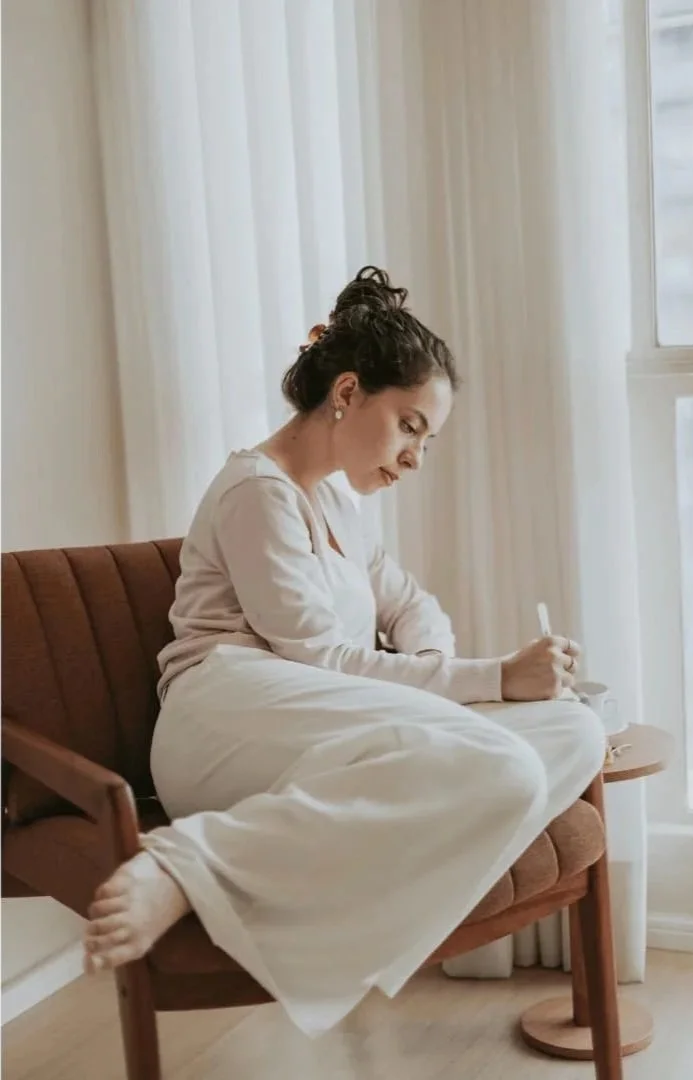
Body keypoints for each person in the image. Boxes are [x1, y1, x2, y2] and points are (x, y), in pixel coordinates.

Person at [82, 266, 605, 1037]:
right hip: (226, 714)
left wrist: (473, 682)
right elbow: (319, 659)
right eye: (409, 427)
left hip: (314, 725)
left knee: (575, 732)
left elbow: (407, 602)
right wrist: (493, 678)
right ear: (349, 392)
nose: (413, 458)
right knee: (505, 765)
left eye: (426, 438)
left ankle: (367, 887)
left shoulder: (336, 498)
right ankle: (187, 860)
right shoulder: (255, 492)